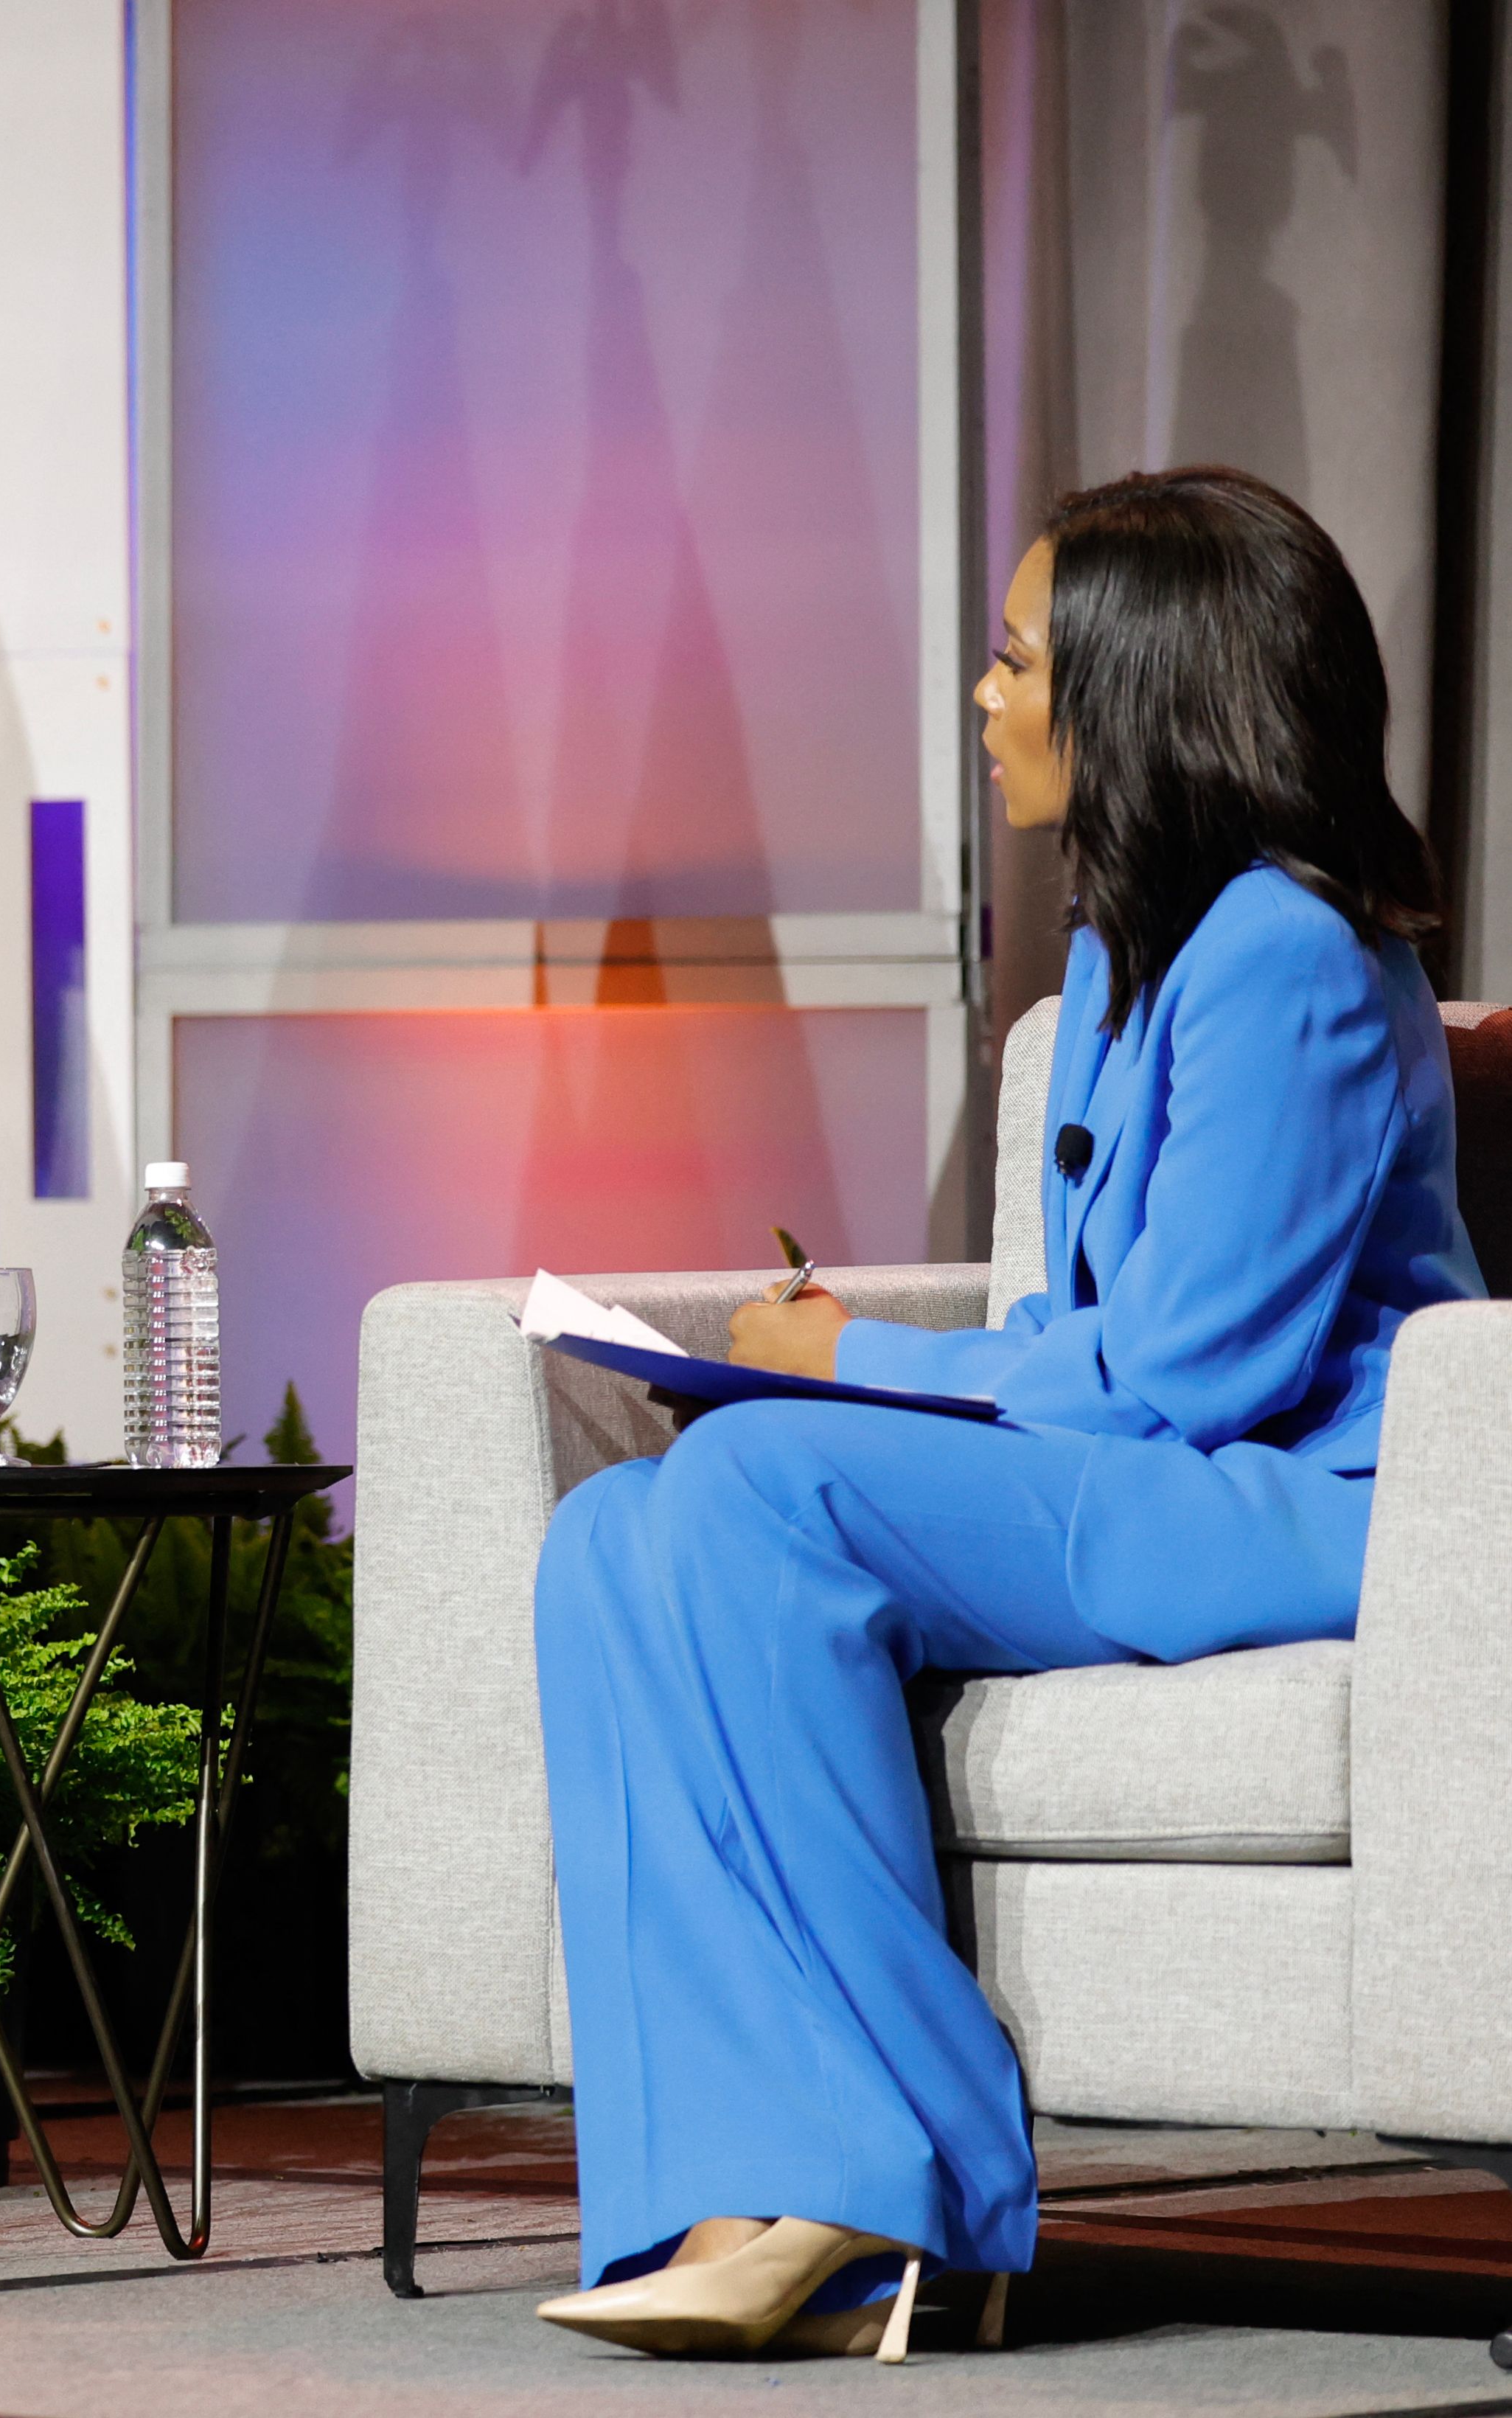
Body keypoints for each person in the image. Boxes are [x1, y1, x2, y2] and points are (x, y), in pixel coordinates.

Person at [529, 466, 1480, 2354]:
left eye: (1012, 656)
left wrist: (839, 1365)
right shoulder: (1120, 957)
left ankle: (901, 2187)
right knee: (607, 1535)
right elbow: (1077, 1325)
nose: (982, 697)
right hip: (1161, 1472)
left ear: (1137, 687)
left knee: (750, 1485)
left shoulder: (1290, 954)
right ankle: (727, 2184)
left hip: (1294, 1494)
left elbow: (1191, 1374)